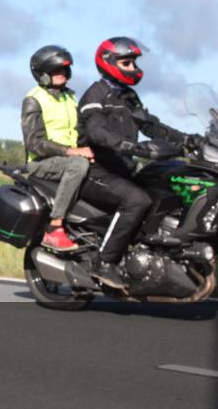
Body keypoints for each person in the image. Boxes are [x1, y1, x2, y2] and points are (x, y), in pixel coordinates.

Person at [76, 37, 200, 289]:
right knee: (137, 200)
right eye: (127, 62)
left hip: (123, 171)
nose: (133, 67)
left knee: (168, 190)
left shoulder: (129, 97)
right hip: (97, 171)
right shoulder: (96, 94)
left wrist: (188, 140)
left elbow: (151, 125)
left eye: (134, 62)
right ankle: (104, 262)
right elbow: (96, 129)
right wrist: (128, 146)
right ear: (109, 63)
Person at [20, 45, 94, 252]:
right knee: (78, 164)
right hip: (42, 162)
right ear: (42, 74)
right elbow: (34, 142)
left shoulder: (69, 97)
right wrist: (72, 151)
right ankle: (55, 227)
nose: (62, 74)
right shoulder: (34, 99)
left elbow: (81, 130)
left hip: (68, 158)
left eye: (64, 70)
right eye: (55, 71)